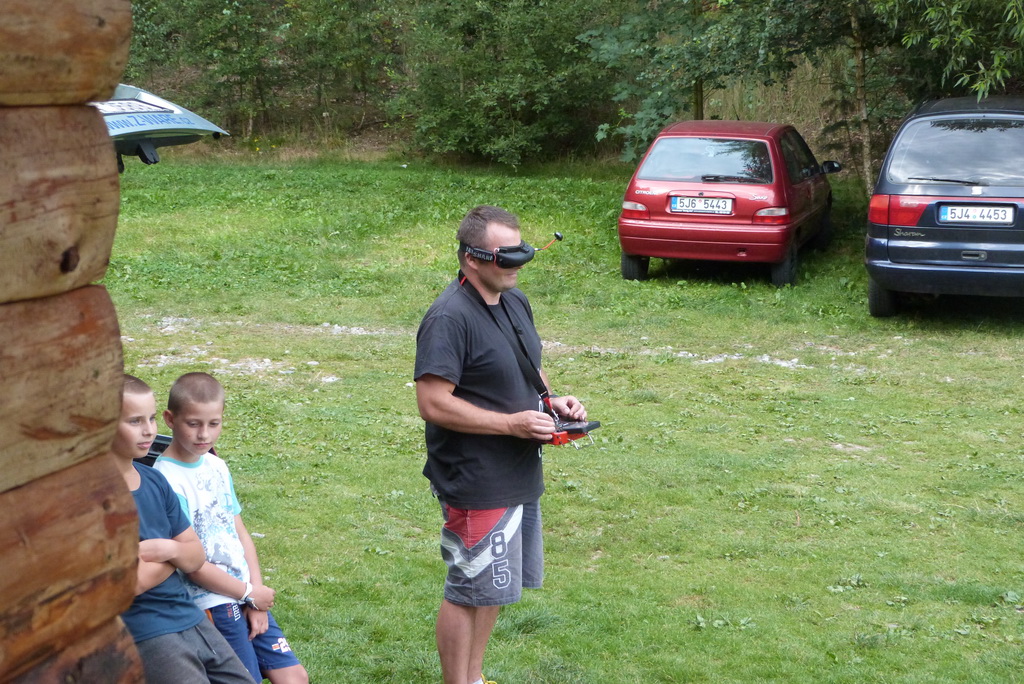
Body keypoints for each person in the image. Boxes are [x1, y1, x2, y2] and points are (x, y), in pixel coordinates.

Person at [414, 205, 588, 684]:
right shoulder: (449, 317)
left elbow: (526, 363)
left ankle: (473, 678)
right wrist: (511, 424)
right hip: (475, 476)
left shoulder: (514, 301)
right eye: (504, 257)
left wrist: (551, 400)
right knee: (467, 588)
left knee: (492, 586)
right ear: (471, 258)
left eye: (520, 253)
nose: (516, 265)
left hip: (516, 470)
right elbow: (432, 402)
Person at [153, 372, 308, 684]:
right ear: (170, 419)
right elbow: (192, 564)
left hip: (245, 592)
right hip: (212, 599)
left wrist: (256, 594)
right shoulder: (166, 480)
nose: (204, 434)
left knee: (294, 676)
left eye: (214, 423)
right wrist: (248, 593)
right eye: (193, 424)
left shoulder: (217, 466)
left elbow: (240, 532)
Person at [112, 374, 253, 684]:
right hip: (145, 631)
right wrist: (176, 557)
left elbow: (195, 555)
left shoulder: (154, 481)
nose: (149, 430)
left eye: (151, 418)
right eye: (135, 421)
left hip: (189, 616)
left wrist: (167, 550)